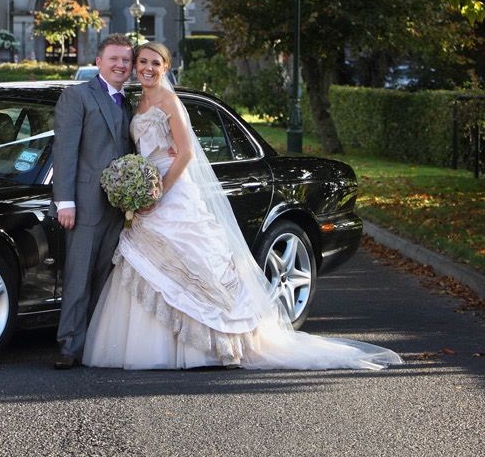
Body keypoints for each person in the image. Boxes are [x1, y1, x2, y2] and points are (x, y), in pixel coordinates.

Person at [83, 41, 403, 371]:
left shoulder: (170, 101)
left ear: (165, 68)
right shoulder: (137, 102)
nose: (147, 68)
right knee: (146, 263)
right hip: (148, 192)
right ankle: (156, 345)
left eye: (155, 63)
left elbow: (187, 152)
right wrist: (136, 190)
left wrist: (160, 191)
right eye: (142, 62)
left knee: (194, 263)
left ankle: (204, 348)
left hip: (173, 192)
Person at [51, 33, 135, 369]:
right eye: (114, 59)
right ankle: (69, 346)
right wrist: (65, 202)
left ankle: (94, 344)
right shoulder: (77, 96)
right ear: (98, 62)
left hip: (120, 207)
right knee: (79, 275)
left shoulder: (129, 103)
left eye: (125, 60)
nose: (120, 65)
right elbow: (65, 151)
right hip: (84, 204)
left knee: (105, 275)